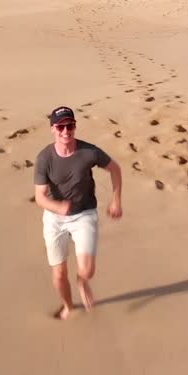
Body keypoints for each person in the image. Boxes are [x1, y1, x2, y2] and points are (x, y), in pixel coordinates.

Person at [32, 106, 123, 320]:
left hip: (84, 214)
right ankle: (67, 306)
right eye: (61, 126)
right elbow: (40, 197)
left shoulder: (89, 152)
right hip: (55, 219)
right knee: (59, 273)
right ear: (53, 129)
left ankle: (82, 281)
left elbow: (115, 169)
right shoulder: (44, 158)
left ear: (75, 126)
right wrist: (58, 207)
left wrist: (116, 200)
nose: (66, 131)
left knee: (88, 270)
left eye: (70, 125)